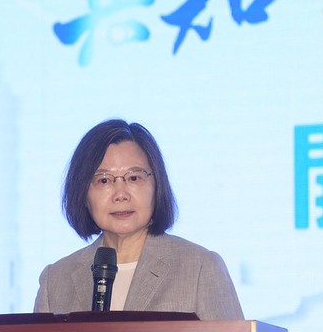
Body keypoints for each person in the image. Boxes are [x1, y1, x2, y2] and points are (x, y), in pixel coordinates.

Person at [34, 119, 244, 320]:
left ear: (157, 185)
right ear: (82, 193)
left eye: (134, 178)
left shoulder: (200, 268)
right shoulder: (55, 280)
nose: (120, 194)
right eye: (104, 180)